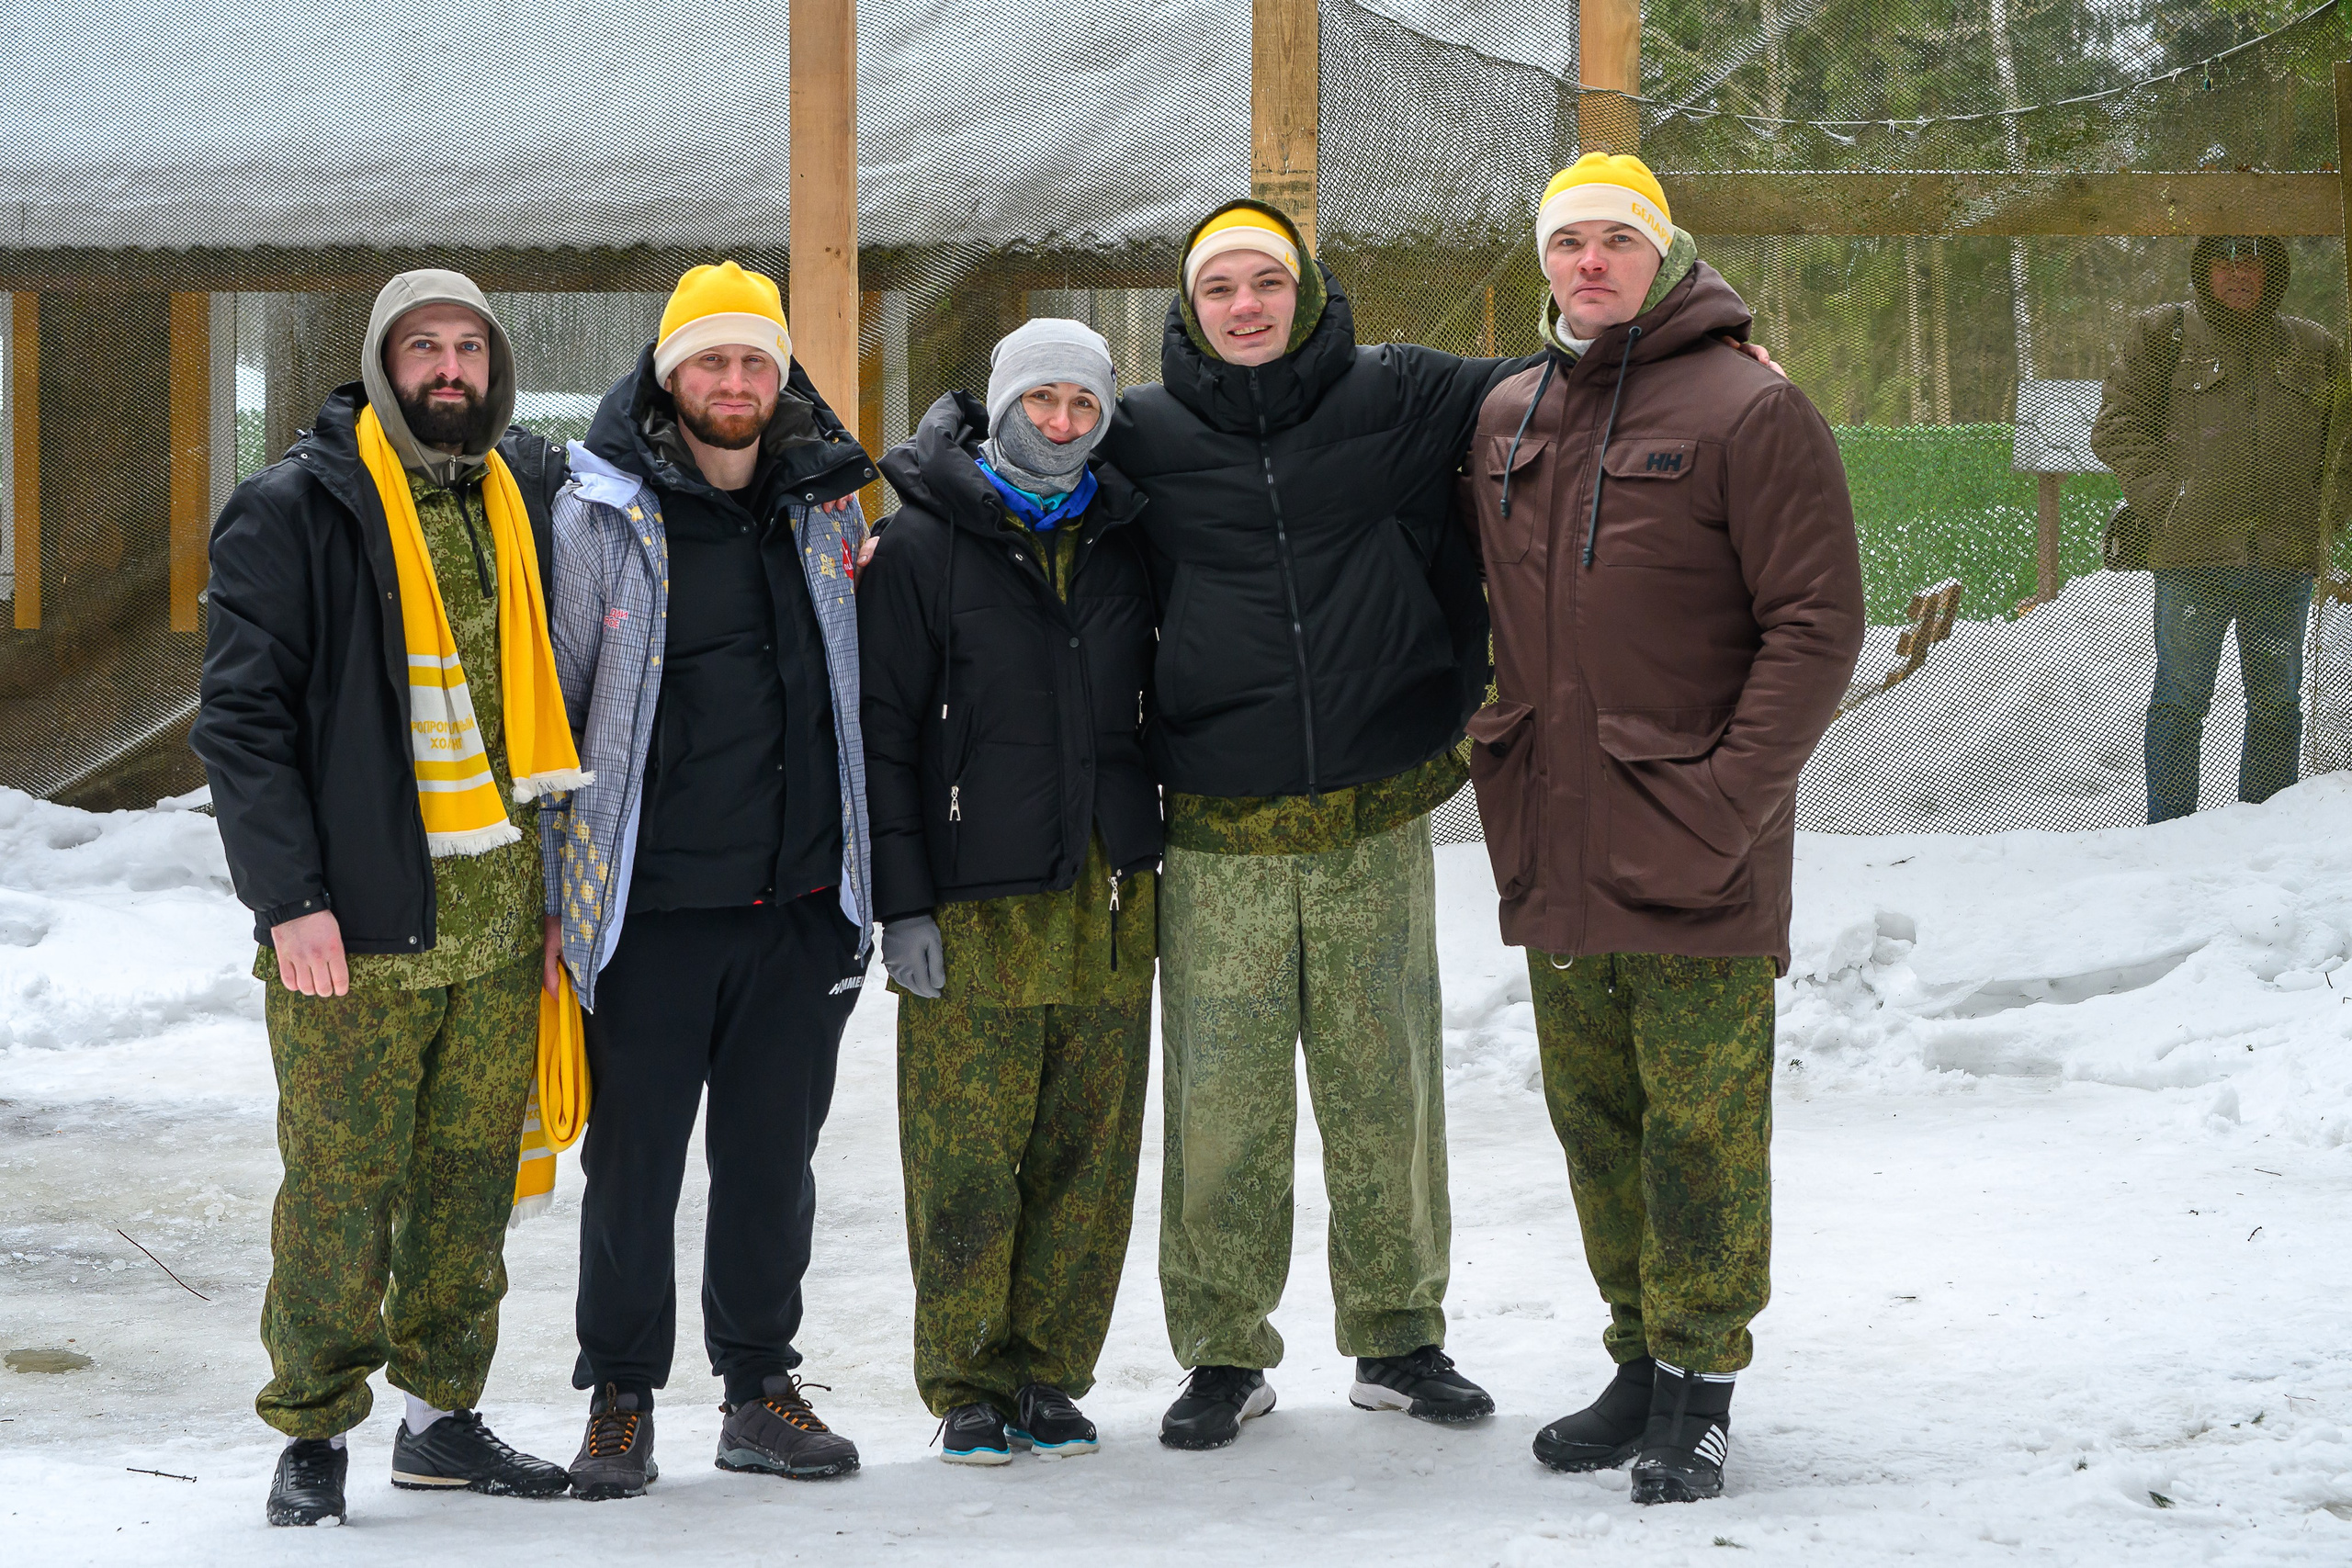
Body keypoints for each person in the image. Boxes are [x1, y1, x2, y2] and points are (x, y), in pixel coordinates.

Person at [1455, 153, 1864, 1504]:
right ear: (1544, 261)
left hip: (1694, 840)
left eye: (1615, 242)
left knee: (1701, 1128)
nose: (1590, 263)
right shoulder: (1510, 410)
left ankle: (1700, 1384)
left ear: (1662, 253)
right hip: (1559, 841)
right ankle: (1635, 1358)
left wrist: (1729, 800)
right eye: (1568, 241)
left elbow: (1815, 624)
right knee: (1596, 1115)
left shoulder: (1752, 408)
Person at [1101, 199, 1516, 1450]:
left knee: (1384, 1080)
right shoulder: (1143, 431)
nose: (1245, 304)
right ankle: (1224, 1348)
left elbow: (1556, 383)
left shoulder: (1399, 392)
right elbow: (1026, 449)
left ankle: (1399, 1332)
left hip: (1370, 812)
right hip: (1218, 825)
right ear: (1189, 305)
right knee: (1223, 1099)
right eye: (1219, 285)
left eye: (1265, 280)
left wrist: (1712, 361)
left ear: (1308, 289)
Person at [192, 270, 581, 1526]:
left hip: (493, 921)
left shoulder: (518, 494)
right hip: (353, 929)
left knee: (471, 1179)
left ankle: (442, 1415)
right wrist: (286, 895)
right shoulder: (295, 509)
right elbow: (242, 723)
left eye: (471, 346)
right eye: (426, 348)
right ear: (382, 360)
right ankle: (312, 1423)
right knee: (340, 1185)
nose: (451, 368)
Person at [541, 262, 878, 1499]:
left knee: (770, 1157)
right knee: (635, 1162)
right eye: (711, 361)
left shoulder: (829, 505)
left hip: (794, 903)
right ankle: (619, 1396)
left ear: (780, 373)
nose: (733, 382)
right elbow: (560, 714)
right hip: (652, 910)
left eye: (755, 360)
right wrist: (557, 902)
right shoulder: (600, 515)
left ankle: (758, 1388)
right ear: (670, 372)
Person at [860, 319, 1159, 1465]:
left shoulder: (1127, 539)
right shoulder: (921, 547)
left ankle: (1049, 1370)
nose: (1062, 425)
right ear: (999, 405)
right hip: (974, 903)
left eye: (1084, 406)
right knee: (965, 1157)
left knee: (1090, 1150)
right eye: (1041, 401)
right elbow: (884, 737)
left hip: (1106, 897)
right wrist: (904, 905)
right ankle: (969, 1379)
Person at [2089, 234, 2347, 823]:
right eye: (2223, 260)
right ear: (2204, 270)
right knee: (2179, 702)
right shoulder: (2164, 335)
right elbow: (2117, 425)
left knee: (2279, 706)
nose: (2236, 273)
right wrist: (2168, 500)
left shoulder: (2316, 347)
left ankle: (2262, 838)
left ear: (2272, 270)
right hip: (2192, 560)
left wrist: (2323, 513)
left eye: (2250, 258)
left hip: (2283, 562)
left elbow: (2346, 444)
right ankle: (2171, 835)